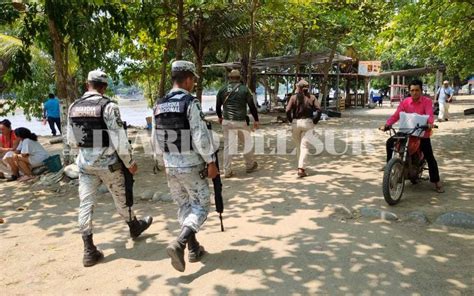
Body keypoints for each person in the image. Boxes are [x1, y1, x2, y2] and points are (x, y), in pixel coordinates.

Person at [67, 70, 153, 267]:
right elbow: (119, 138)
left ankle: (88, 249)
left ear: (87, 84)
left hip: (85, 165)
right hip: (109, 165)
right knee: (121, 197)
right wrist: (130, 163)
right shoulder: (108, 106)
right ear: (104, 87)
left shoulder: (73, 106)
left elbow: (72, 140)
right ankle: (134, 226)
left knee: (86, 204)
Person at [153, 60, 218, 272]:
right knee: (200, 206)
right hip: (191, 164)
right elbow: (199, 136)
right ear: (188, 79)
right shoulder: (190, 102)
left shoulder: (159, 103)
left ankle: (193, 248)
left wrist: (160, 161)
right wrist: (210, 161)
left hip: (170, 165)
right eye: (193, 81)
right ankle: (180, 243)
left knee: (184, 207)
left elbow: (156, 137)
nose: (193, 85)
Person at [382, 79, 444, 193]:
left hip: (421, 132)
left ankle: (436, 181)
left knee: (429, 156)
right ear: (409, 91)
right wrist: (387, 124)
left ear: (421, 90)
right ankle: (389, 168)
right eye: (412, 90)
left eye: (417, 90)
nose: (414, 92)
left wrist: (430, 123)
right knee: (389, 142)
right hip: (407, 130)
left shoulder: (427, 101)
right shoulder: (405, 102)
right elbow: (396, 115)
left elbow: (430, 115)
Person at [216, 69, 259, 178]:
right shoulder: (245, 89)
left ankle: (227, 171)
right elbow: (252, 106)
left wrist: (220, 117)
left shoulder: (222, 89)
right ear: (239, 78)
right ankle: (249, 166)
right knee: (246, 143)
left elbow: (217, 106)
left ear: (229, 78)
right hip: (240, 121)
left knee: (227, 146)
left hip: (227, 121)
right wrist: (256, 120)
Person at [286, 79, 321, 177]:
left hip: (296, 123)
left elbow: (287, 110)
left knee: (298, 146)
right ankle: (301, 169)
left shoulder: (293, 98)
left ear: (298, 88)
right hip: (307, 123)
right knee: (304, 146)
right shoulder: (312, 97)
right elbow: (319, 110)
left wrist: (291, 120)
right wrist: (314, 121)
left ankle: (300, 166)